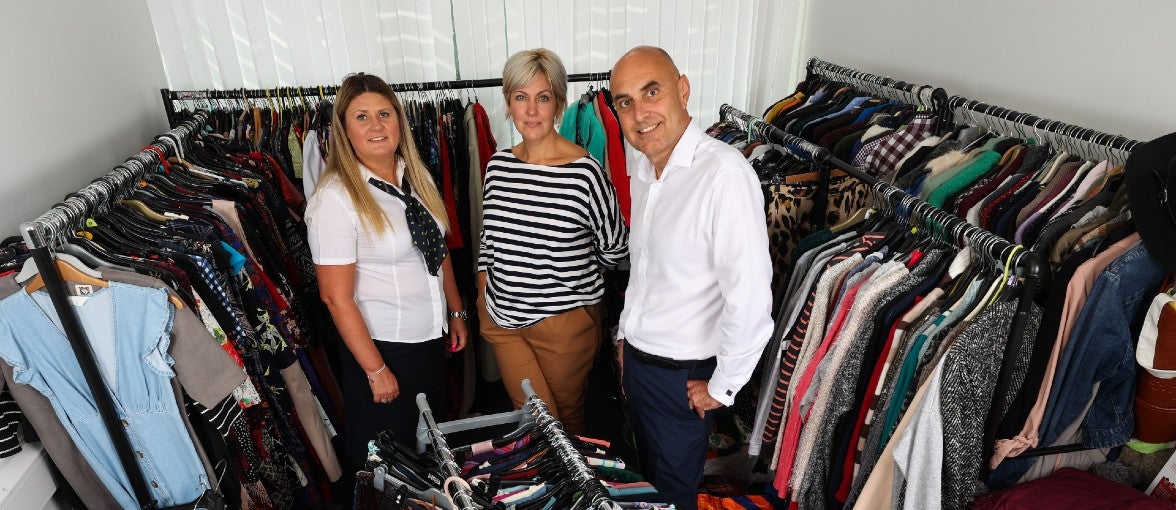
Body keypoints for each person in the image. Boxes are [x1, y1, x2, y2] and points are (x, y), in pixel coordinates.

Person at [610, 46, 773, 509]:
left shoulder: (724, 175)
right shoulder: (643, 169)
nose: (640, 113)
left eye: (652, 91)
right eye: (625, 101)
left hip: (682, 381)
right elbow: (645, 271)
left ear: (683, 89)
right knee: (643, 486)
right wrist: (625, 341)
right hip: (639, 366)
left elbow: (750, 297)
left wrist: (722, 387)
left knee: (672, 497)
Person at [305, 73, 468, 465]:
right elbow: (334, 296)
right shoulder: (336, 199)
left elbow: (437, 248)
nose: (376, 125)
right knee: (388, 464)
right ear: (344, 130)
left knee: (428, 452)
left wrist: (456, 310)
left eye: (384, 113)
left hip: (428, 340)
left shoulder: (415, 176)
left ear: (399, 120)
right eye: (361, 117)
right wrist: (376, 370)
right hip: (382, 348)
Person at [478, 48, 628, 436]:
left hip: (563, 326)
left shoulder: (584, 173)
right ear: (508, 103)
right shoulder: (498, 166)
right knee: (534, 425)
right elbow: (488, 242)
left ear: (559, 103)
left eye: (542, 97)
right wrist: (483, 297)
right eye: (520, 97)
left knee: (565, 428)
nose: (531, 110)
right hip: (502, 319)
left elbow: (616, 250)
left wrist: (563, 266)